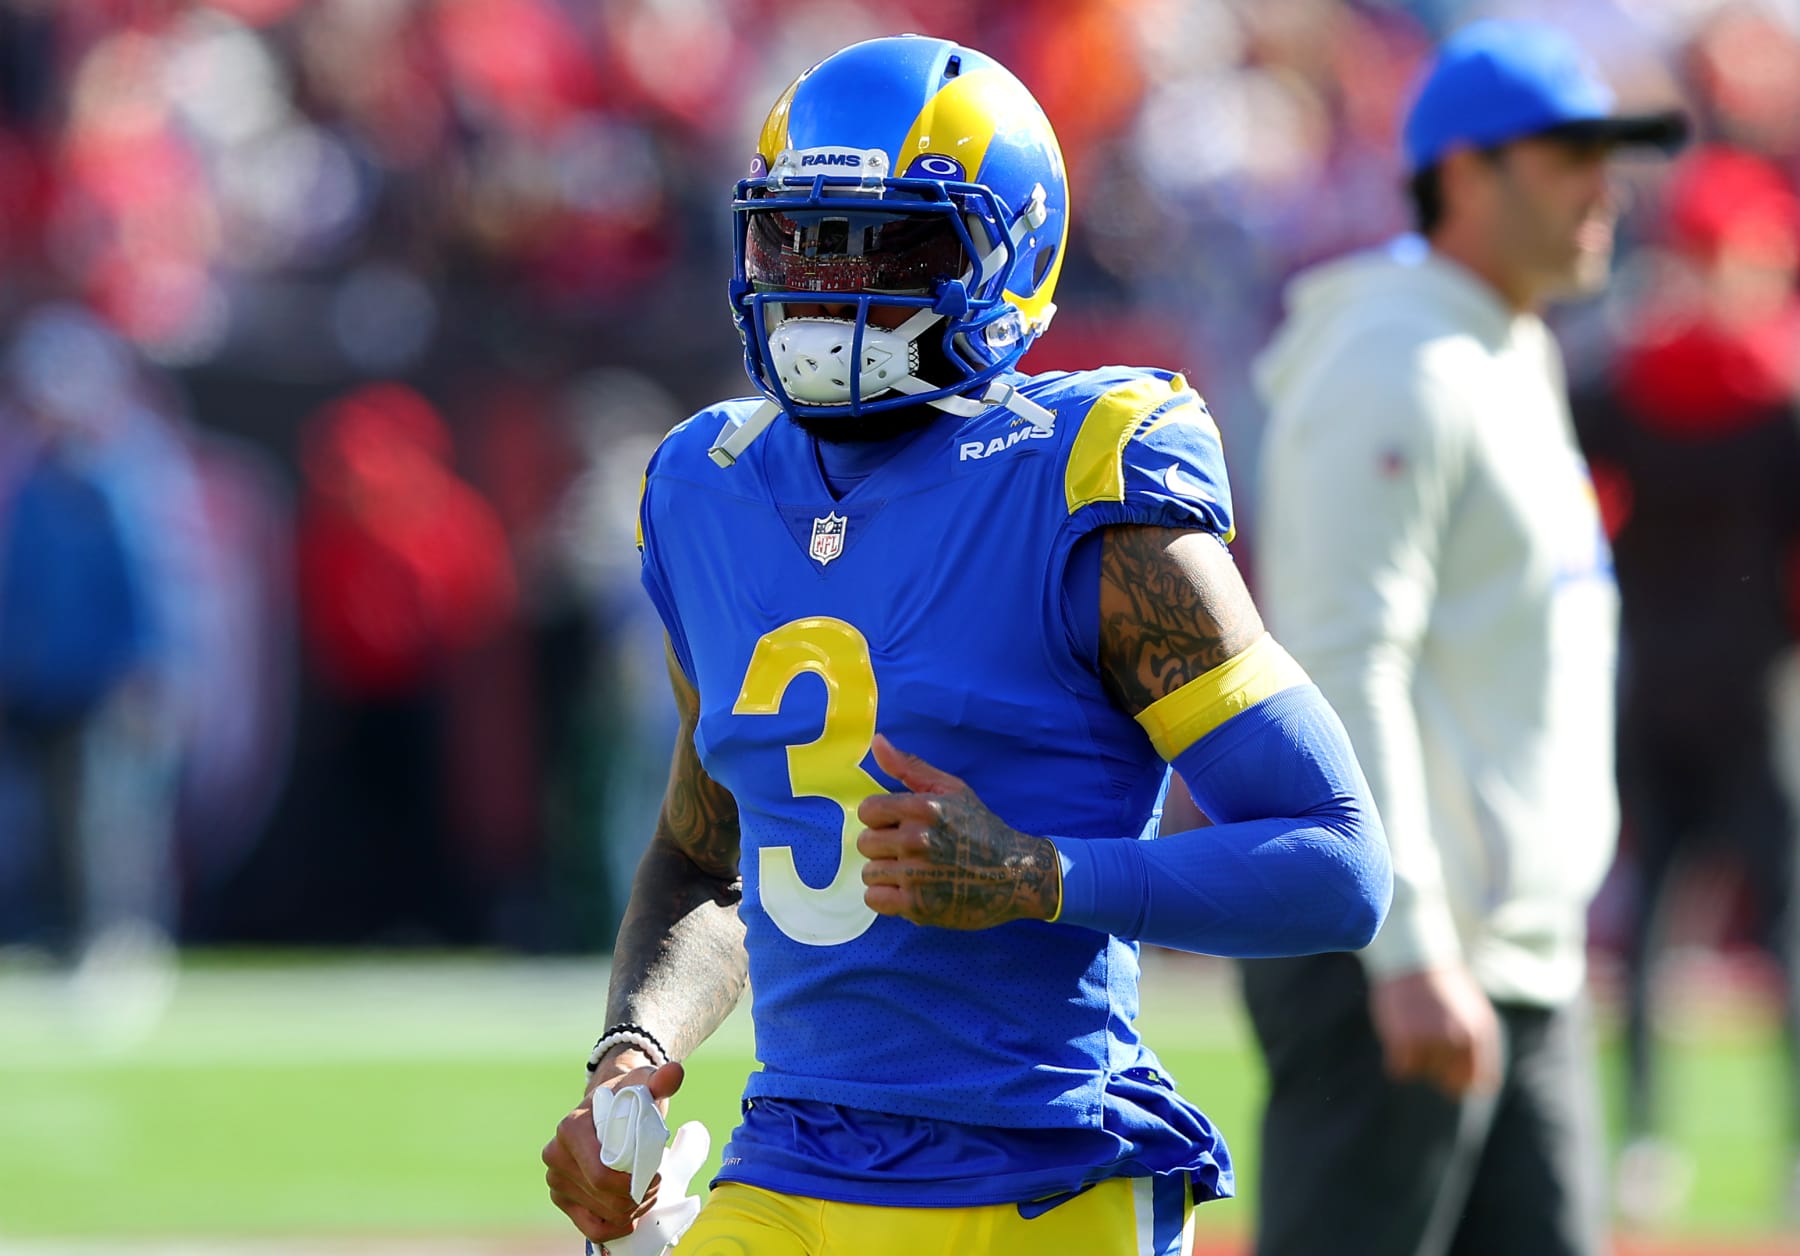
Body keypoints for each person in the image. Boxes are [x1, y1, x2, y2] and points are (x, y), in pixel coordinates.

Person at [541, 34, 1392, 1256]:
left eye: (892, 242)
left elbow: (1340, 863)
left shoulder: (1083, 481)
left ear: (1009, 252)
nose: (829, 285)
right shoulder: (703, 486)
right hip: (789, 1158)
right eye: (799, 238)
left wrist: (1044, 875)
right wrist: (633, 1055)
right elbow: (706, 853)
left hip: (1042, 1175)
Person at [1243, 19, 1687, 1256]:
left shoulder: (1502, 346)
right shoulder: (1401, 361)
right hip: (1397, 962)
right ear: (1465, 174)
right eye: (1570, 154)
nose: (1609, 186)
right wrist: (1412, 948)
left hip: (1505, 962)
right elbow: (1341, 664)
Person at [1570, 145, 1800, 1223]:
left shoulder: (1767, 399)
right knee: (1650, 936)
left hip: (1747, 701)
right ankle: (1645, 1141)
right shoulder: (1628, 385)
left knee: (1782, 936)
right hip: (1673, 699)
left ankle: (1776, 1147)